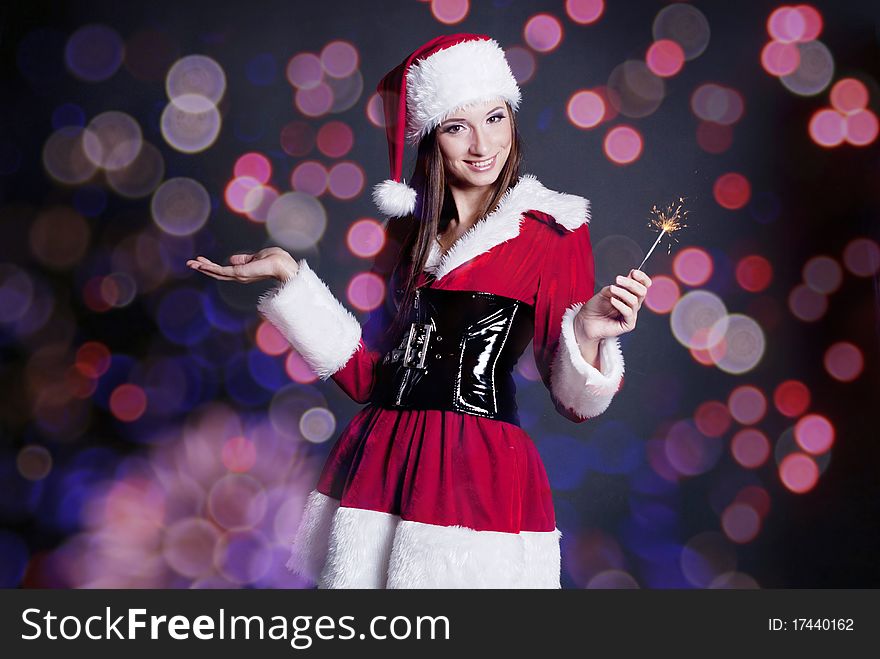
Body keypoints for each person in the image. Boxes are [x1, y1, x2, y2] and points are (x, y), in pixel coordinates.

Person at [187, 34, 651, 588]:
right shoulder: (405, 233)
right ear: (432, 134)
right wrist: (292, 280)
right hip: (382, 461)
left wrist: (589, 333)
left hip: (477, 472)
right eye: (458, 126)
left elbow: (573, 401)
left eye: (496, 118)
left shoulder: (553, 230)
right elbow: (369, 379)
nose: (483, 144)